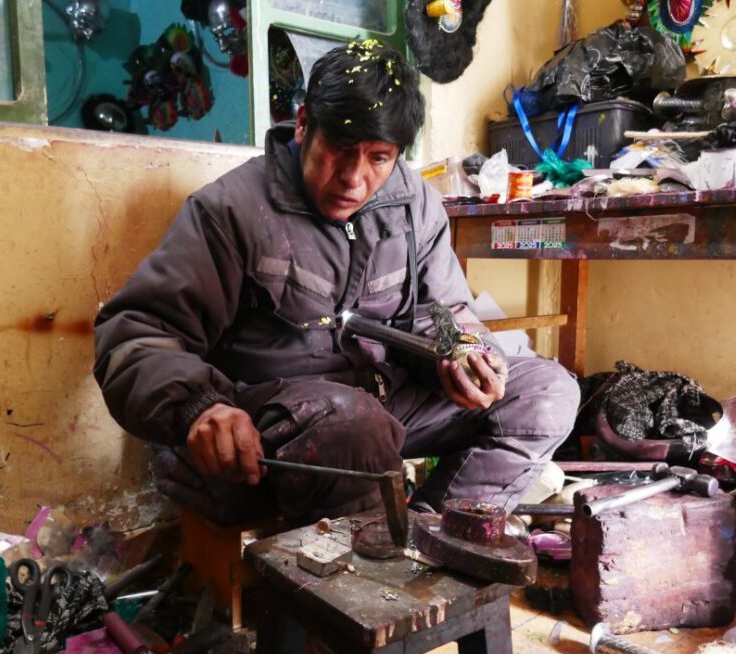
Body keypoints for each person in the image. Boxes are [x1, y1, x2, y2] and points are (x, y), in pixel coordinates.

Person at [93, 40, 580, 525]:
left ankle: (433, 537)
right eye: (341, 151)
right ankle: (375, 581)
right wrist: (199, 408)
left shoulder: (414, 205)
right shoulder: (231, 211)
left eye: (379, 157)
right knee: (353, 428)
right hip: (271, 435)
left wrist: (464, 349)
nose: (354, 177)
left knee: (549, 392)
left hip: (383, 410)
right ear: (304, 124)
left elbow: (445, 310)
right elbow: (136, 334)